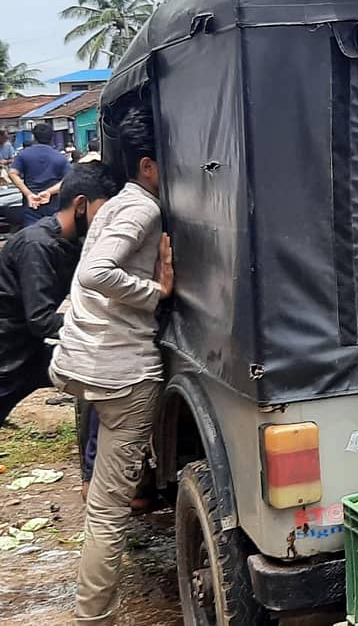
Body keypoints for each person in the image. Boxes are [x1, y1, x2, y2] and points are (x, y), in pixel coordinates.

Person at [50, 105, 173, 625]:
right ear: (147, 166)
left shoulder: (117, 204)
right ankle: (94, 617)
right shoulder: (143, 209)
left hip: (83, 362)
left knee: (103, 497)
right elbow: (98, 272)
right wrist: (157, 291)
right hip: (123, 373)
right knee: (107, 512)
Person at [0, 163, 117, 426]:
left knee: (101, 378)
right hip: (8, 357)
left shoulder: (70, 245)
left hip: (25, 352)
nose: (107, 220)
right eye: (104, 210)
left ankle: (95, 463)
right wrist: (107, 324)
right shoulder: (36, 246)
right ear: (81, 204)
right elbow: (41, 320)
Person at [9, 123, 71, 225]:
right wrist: (48, 192)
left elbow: (12, 173)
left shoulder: (24, 155)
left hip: (31, 206)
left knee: (31, 236)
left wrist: (28, 194)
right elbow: (68, 179)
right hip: (53, 206)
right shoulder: (60, 157)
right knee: (53, 236)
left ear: (34, 137)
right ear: (52, 137)